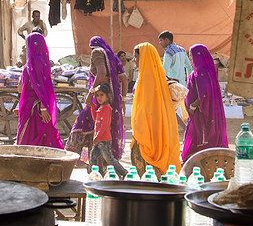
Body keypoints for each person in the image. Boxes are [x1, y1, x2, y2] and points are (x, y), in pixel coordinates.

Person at [67, 36, 127, 171]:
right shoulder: (112, 56)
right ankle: (95, 167)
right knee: (98, 127)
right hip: (111, 99)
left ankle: (77, 159)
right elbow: (123, 78)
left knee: (83, 125)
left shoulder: (97, 52)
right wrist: (122, 100)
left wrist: (91, 93)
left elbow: (101, 72)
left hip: (98, 98)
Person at [131, 42, 180, 174]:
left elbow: (146, 107)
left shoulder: (147, 79)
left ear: (143, 58)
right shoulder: (158, 76)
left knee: (146, 161)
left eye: (136, 57)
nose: (134, 60)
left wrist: (139, 127)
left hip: (148, 128)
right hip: (157, 126)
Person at [16, 32, 64, 149]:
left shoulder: (36, 62)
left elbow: (41, 86)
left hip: (35, 107)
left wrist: (43, 107)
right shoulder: (34, 62)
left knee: (35, 135)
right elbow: (22, 88)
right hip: (31, 104)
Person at [181, 44, 228, 162]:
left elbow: (204, 94)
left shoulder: (201, 73)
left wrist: (192, 106)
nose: (190, 58)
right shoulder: (207, 71)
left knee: (200, 137)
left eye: (191, 55)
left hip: (201, 114)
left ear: (198, 56)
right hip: (203, 112)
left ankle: (198, 163)